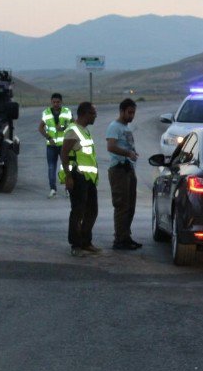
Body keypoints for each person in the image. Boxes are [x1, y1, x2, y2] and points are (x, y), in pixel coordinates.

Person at [60, 102, 101, 256]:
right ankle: (76, 245)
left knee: (92, 211)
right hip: (77, 177)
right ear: (84, 114)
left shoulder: (85, 131)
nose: (95, 116)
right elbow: (64, 154)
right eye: (93, 113)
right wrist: (68, 177)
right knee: (78, 212)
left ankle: (86, 242)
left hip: (88, 178)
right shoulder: (73, 131)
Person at [106, 98, 142, 251]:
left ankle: (126, 236)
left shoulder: (126, 128)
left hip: (128, 168)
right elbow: (111, 146)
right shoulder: (114, 127)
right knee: (122, 206)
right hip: (119, 169)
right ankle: (119, 239)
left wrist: (132, 153)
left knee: (130, 206)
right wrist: (127, 153)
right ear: (121, 111)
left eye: (133, 113)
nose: (131, 116)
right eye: (129, 112)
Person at [39, 93, 73, 198]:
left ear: (61, 102)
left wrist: (64, 127)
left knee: (66, 167)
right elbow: (40, 128)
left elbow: (74, 125)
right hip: (51, 145)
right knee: (51, 167)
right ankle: (53, 189)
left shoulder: (67, 112)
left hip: (64, 145)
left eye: (58, 102)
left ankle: (68, 189)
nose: (56, 104)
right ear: (51, 102)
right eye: (54, 102)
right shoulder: (46, 113)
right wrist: (48, 137)